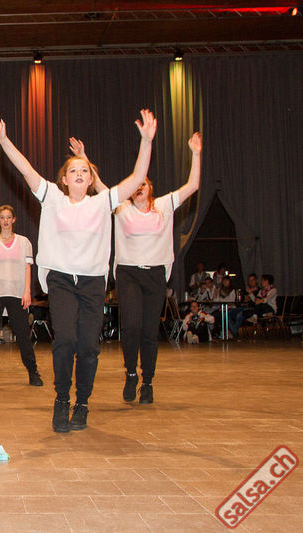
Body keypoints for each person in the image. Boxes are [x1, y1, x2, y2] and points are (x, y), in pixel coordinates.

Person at [0, 108, 155, 433]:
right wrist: (4, 140)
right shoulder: (52, 197)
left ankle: (82, 403)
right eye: (73, 170)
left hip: (92, 283)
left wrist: (146, 141)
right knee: (64, 340)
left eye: (84, 170)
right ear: (64, 179)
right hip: (61, 280)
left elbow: (137, 179)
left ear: (90, 179)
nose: (79, 174)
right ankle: (62, 399)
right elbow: (26, 169)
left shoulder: (103, 201)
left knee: (88, 347)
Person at [109, 131, 201, 405]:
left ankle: (147, 381)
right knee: (132, 326)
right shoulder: (121, 208)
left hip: (155, 274)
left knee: (150, 331)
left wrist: (196, 154)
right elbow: (100, 188)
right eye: (136, 185)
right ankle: (130, 373)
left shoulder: (164, 206)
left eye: (144, 184)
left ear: (150, 188)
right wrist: (86, 159)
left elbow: (193, 186)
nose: (140, 188)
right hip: (128, 273)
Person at [0, 205, 43, 387]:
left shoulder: (24, 242)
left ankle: (33, 372)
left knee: (23, 336)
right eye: (2, 217)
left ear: (14, 219)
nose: (5, 220)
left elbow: (27, 268)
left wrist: (27, 291)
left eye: (8, 217)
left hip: (17, 294)